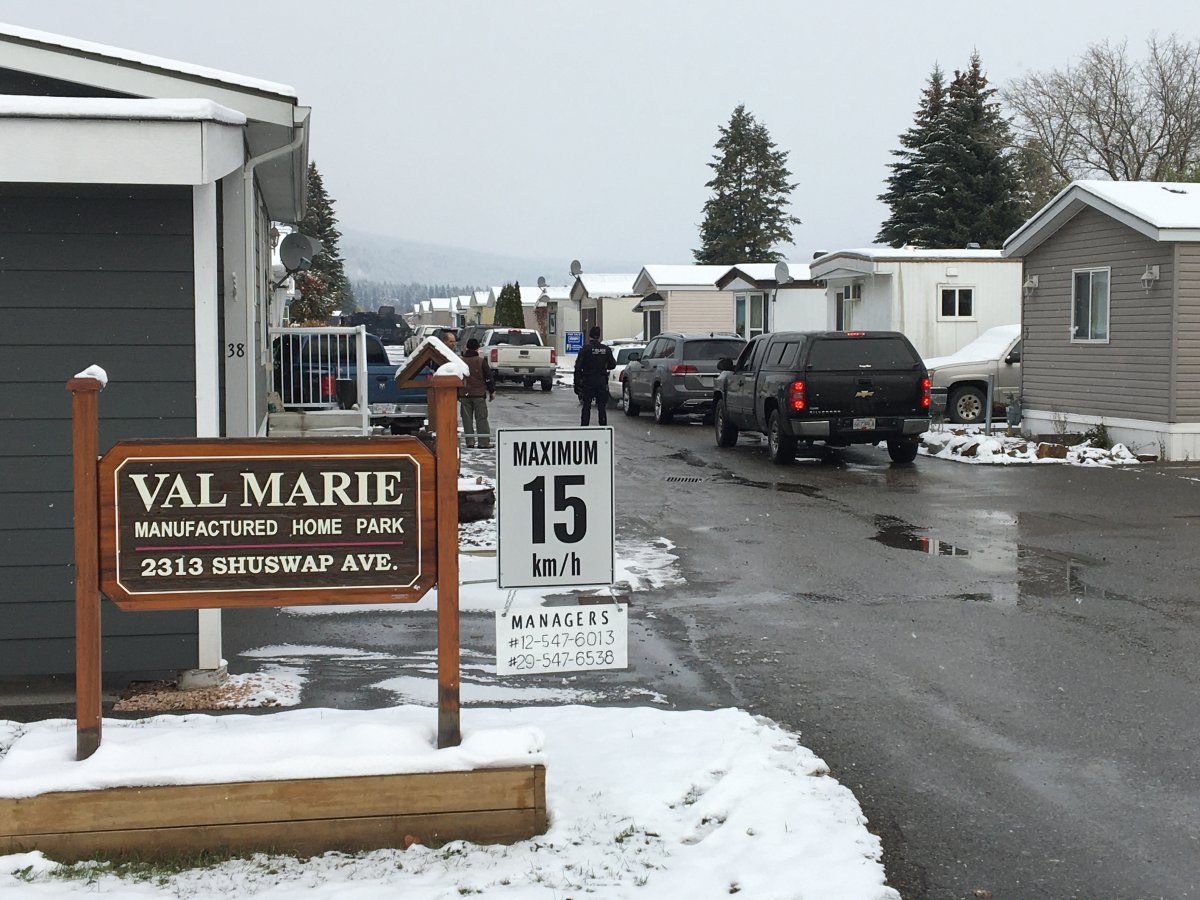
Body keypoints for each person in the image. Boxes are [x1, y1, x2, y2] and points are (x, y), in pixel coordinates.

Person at [574, 325, 616, 426]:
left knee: (586, 406)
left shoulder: (585, 349)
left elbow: (578, 367)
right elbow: (612, 364)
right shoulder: (606, 349)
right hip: (601, 381)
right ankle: (603, 429)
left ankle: (584, 429)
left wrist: (576, 384)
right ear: (599, 336)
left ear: (590, 336)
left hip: (588, 381)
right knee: (602, 407)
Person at [459, 338, 495, 448]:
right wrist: (491, 391)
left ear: (466, 347)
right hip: (479, 394)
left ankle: (469, 441)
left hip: (464, 394)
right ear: (478, 348)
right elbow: (488, 377)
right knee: (481, 418)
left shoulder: (460, 361)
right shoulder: (480, 361)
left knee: (467, 419)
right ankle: (483, 442)